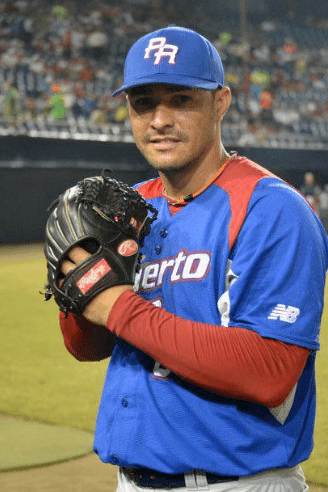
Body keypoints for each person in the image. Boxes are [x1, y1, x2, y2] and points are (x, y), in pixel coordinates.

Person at [58, 26, 328, 491]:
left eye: (180, 99)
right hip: (132, 481)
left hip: (239, 482)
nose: (158, 119)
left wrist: (118, 306)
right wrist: (76, 294)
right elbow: (87, 347)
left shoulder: (271, 209)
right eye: (143, 103)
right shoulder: (129, 208)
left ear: (220, 102)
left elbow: (269, 372)